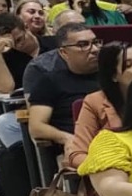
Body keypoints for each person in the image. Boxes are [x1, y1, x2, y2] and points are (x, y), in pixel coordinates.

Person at [9, 22, 103, 153]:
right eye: (83, 45)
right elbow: (37, 127)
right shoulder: (49, 81)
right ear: (64, 53)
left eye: (96, 42)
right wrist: (66, 138)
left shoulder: (114, 76)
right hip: (78, 147)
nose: (95, 49)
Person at [66, 43, 132, 168]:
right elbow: (77, 154)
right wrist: (111, 168)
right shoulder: (94, 102)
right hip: (118, 175)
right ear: (114, 75)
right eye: (128, 65)